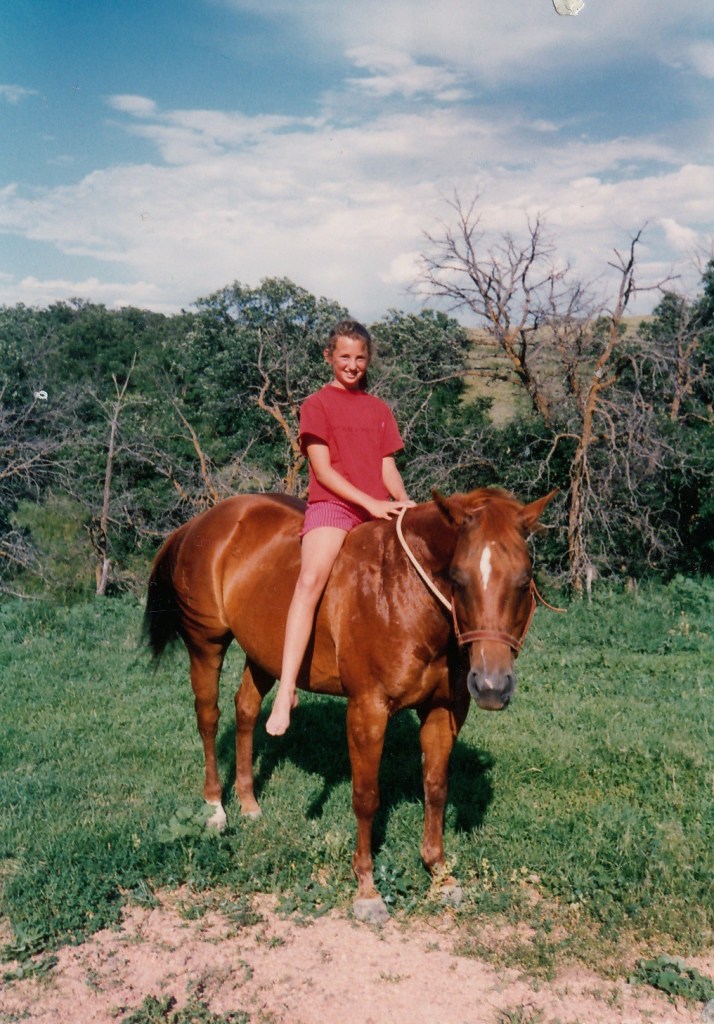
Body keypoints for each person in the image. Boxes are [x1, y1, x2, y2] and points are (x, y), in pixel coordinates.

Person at [265, 320, 414, 736]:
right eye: (344, 356)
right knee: (310, 580)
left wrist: (403, 502)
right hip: (334, 507)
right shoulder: (317, 405)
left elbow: (386, 466)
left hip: (377, 509)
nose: (352, 365)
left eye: (360, 358)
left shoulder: (379, 410)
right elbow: (323, 470)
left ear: (368, 360)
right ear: (329, 357)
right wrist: (369, 502)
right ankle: (286, 689)